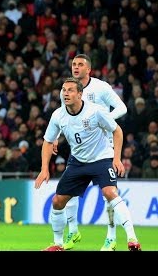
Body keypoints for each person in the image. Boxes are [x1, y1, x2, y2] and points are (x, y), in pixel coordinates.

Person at [35, 77, 141, 251]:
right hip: (78, 162)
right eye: (63, 90)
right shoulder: (58, 115)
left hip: (102, 158)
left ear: (80, 94)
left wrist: (116, 158)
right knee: (57, 201)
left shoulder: (96, 111)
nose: (65, 93)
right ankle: (58, 244)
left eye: (70, 90)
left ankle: (132, 240)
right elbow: (47, 141)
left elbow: (117, 131)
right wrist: (44, 168)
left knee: (110, 192)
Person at [55, 54, 127, 251]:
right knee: (69, 191)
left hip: (103, 145)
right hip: (78, 145)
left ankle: (111, 238)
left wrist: (104, 123)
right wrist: (55, 136)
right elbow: (63, 115)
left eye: (80, 65)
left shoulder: (101, 87)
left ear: (89, 69)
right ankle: (73, 231)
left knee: (108, 194)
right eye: (73, 64)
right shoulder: (68, 89)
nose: (76, 68)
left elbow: (122, 107)